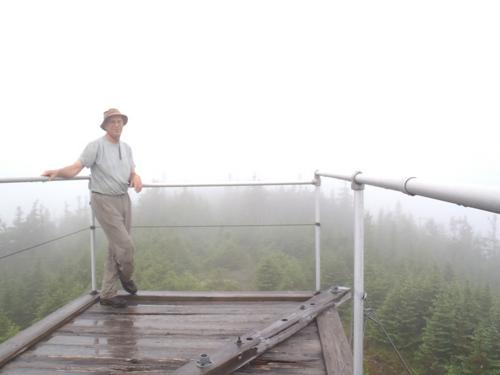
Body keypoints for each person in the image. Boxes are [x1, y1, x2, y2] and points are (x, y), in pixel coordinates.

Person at [42, 108, 143, 308]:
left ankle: (107, 294)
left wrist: (136, 176)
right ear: (105, 125)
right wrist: (59, 172)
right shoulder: (95, 146)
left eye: (119, 121)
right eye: (112, 122)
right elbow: (76, 167)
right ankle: (126, 276)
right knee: (126, 246)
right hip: (104, 200)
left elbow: (131, 170)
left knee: (116, 247)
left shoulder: (127, 148)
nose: (117, 125)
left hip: (123, 198)